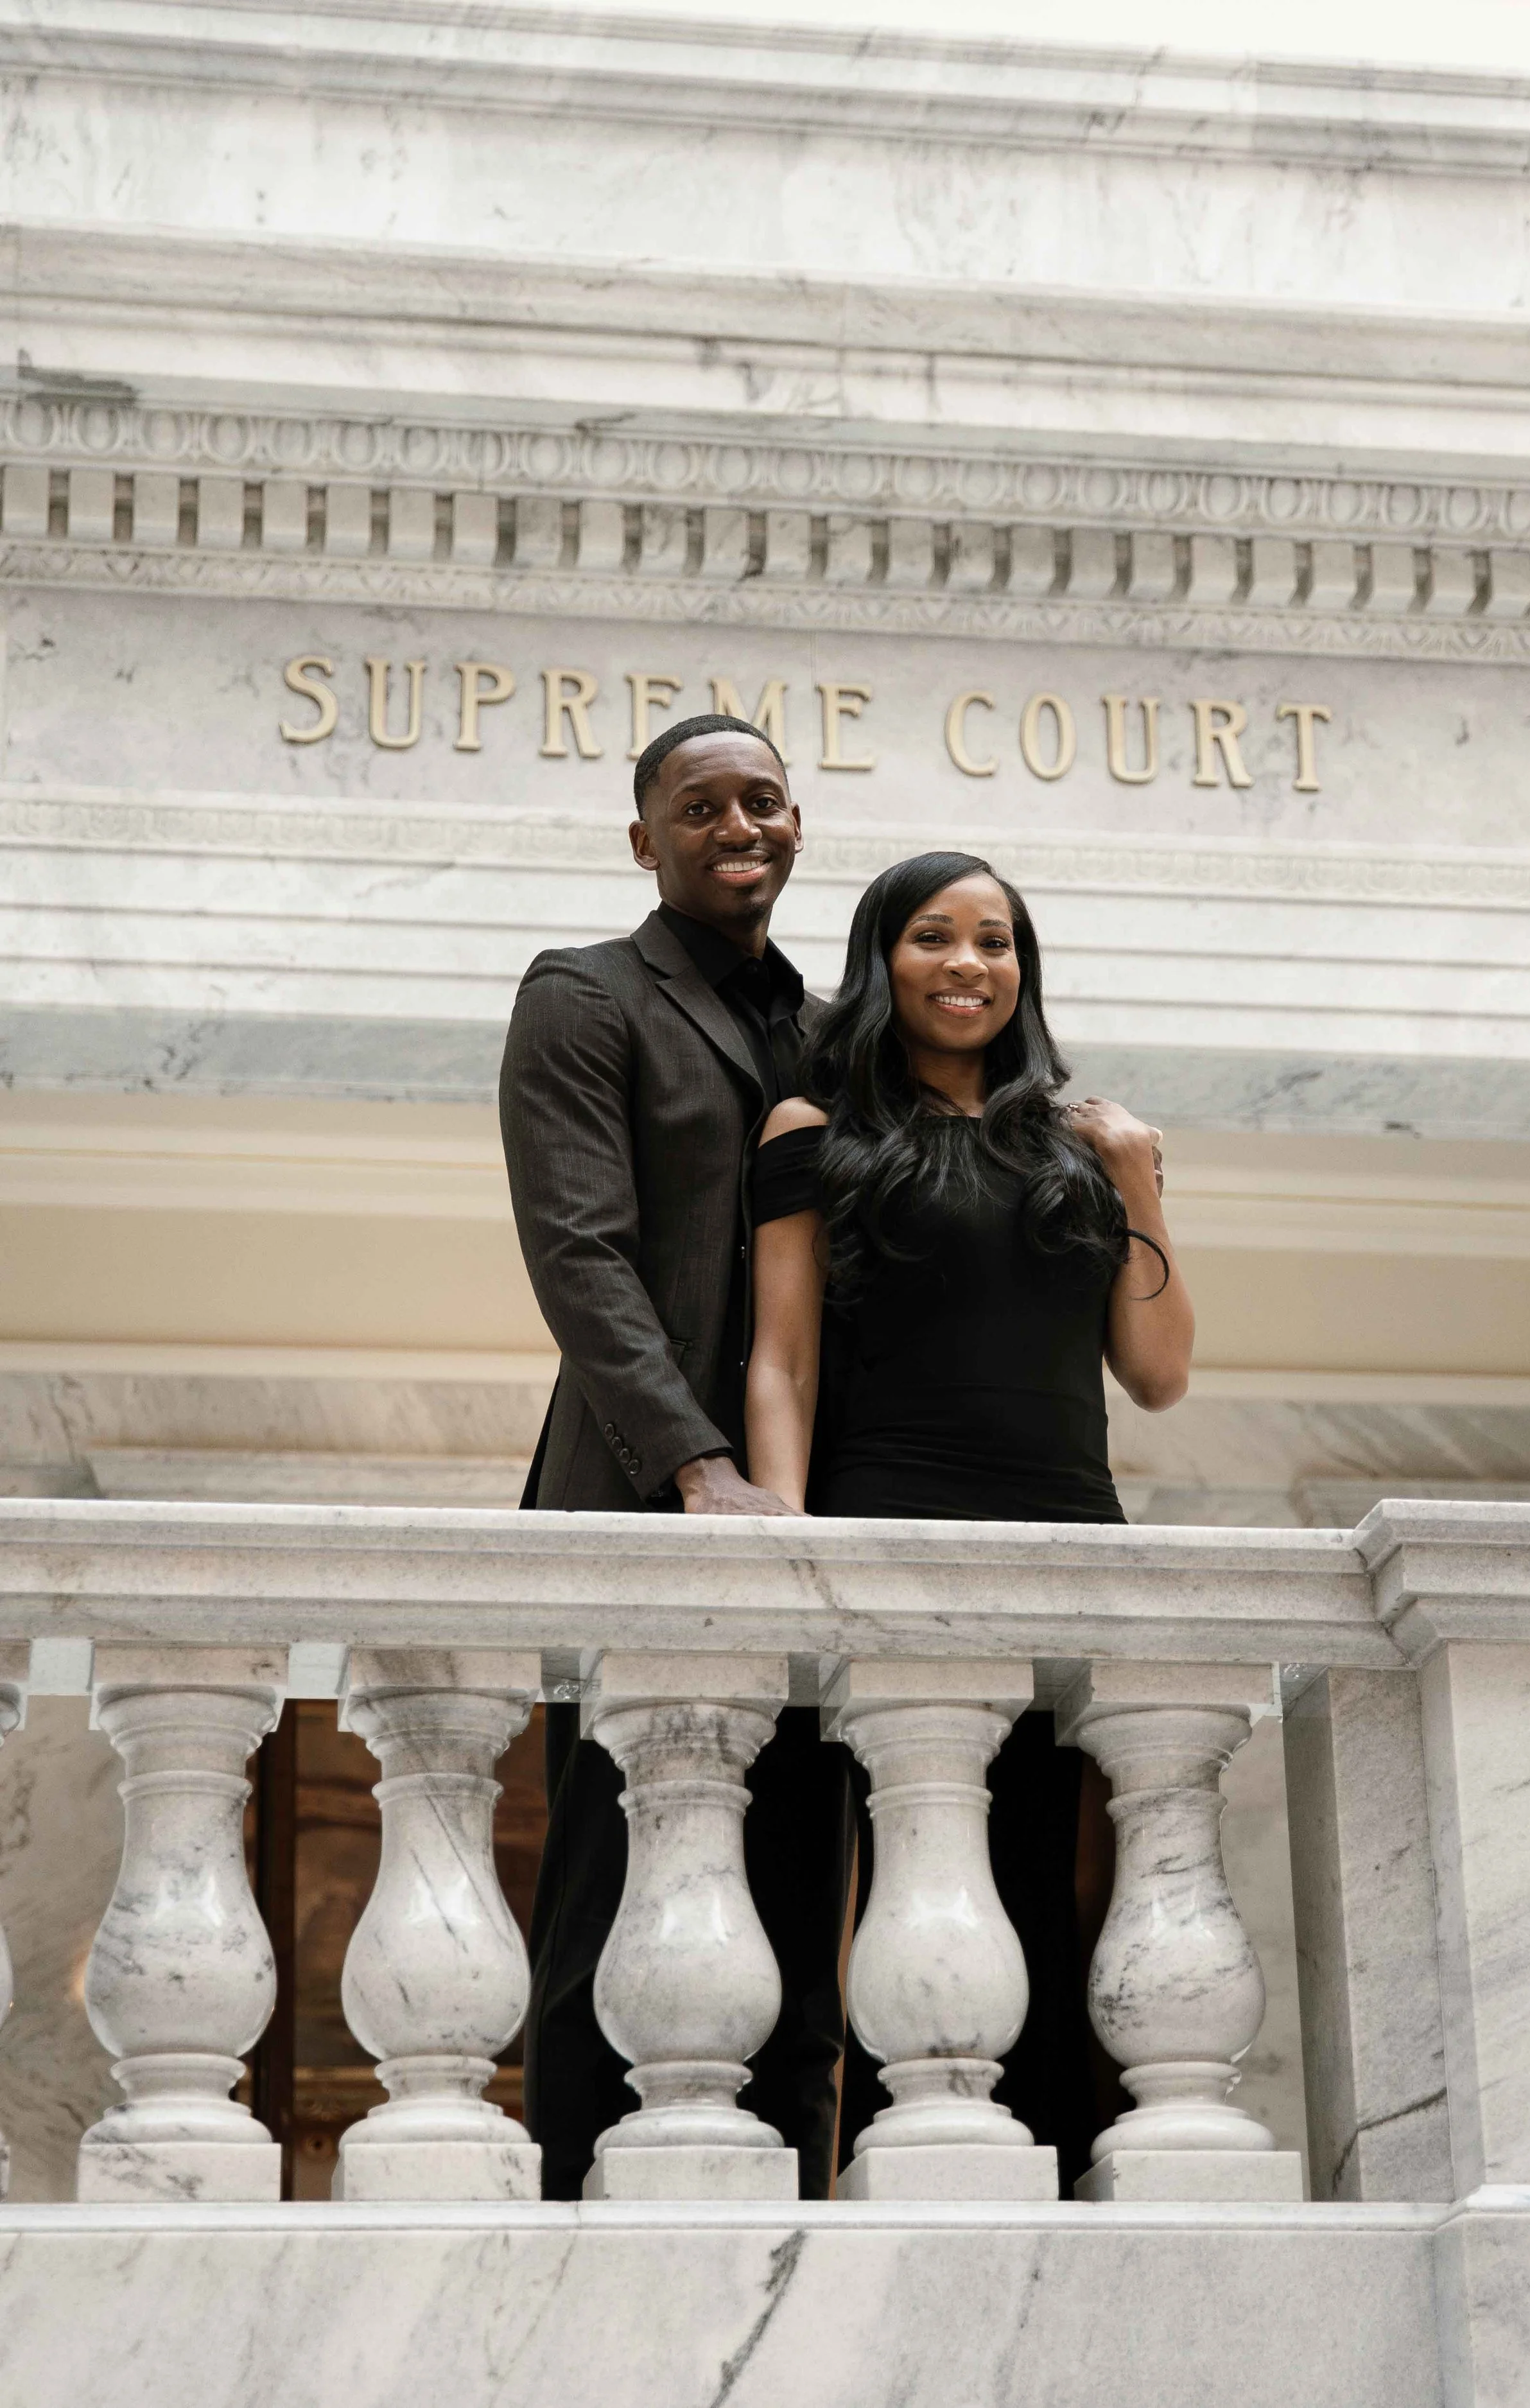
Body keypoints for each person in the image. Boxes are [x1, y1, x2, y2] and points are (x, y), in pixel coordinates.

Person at [743, 849, 1194, 2189]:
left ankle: (1047, 2188)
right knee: (913, 1874)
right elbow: (781, 1358)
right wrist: (783, 1536)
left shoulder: (1082, 1144)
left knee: (1041, 1883)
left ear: (1022, 971)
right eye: (934, 937)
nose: (968, 965)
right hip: (888, 1528)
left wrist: (1133, 1175)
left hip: (1063, 1537)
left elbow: (1159, 1375)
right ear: (882, 960)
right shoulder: (809, 1134)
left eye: (995, 942)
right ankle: (907, 2174)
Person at [499, 711, 855, 2201]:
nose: (738, 826)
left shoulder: (843, 1030)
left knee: (804, 1884)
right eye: (699, 805)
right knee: (616, 1881)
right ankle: (576, 2208)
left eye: (763, 801)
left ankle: (792, 2237)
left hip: (827, 1510)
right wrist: (696, 1465)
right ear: (642, 839)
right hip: (645, 1493)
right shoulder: (585, 996)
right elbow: (579, 1252)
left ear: (796, 828)